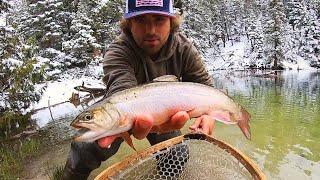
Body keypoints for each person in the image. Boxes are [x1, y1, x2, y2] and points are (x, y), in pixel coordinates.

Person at [62, 0, 215, 179]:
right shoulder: (118, 51)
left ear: (171, 23)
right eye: (141, 20)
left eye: (159, 19)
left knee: (177, 155)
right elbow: (120, 89)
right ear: (129, 24)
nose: (151, 30)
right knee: (84, 150)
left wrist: (209, 114)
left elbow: (205, 88)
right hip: (124, 112)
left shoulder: (184, 48)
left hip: (164, 112)